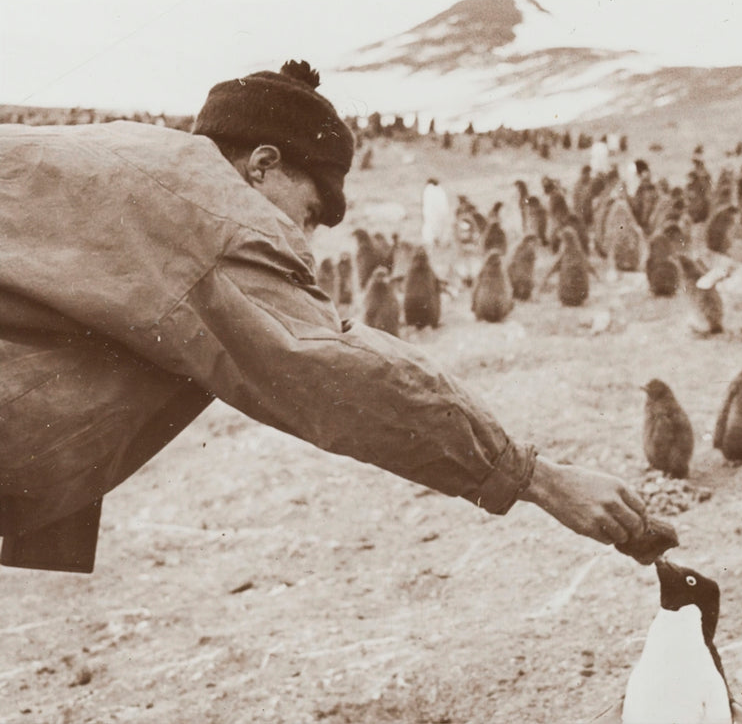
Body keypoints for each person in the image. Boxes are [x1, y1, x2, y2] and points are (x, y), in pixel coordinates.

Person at [0, 60, 652, 574]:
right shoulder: (214, 214)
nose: (305, 240)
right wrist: (537, 478)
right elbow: (334, 371)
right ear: (263, 165)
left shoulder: (127, 155)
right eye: (309, 214)